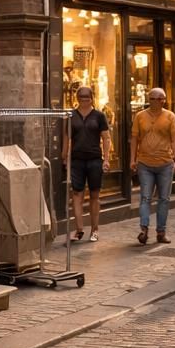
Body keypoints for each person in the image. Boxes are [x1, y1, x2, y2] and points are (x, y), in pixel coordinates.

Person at [131, 88, 175, 246]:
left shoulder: (170, 116)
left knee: (164, 199)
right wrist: (133, 159)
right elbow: (134, 139)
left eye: (162, 99)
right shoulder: (140, 116)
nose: (159, 101)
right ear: (149, 99)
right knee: (145, 197)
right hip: (145, 163)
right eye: (156, 98)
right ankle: (144, 230)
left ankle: (161, 232)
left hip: (165, 163)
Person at [64, 86, 111, 244]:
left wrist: (106, 159)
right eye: (81, 97)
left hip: (94, 159)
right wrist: (64, 157)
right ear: (77, 98)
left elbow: (106, 138)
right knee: (77, 195)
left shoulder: (99, 116)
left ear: (92, 98)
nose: (84, 100)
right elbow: (67, 137)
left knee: (94, 195)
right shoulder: (71, 116)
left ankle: (95, 229)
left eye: (87, 97)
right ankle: (79, 230)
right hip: (77, 159)